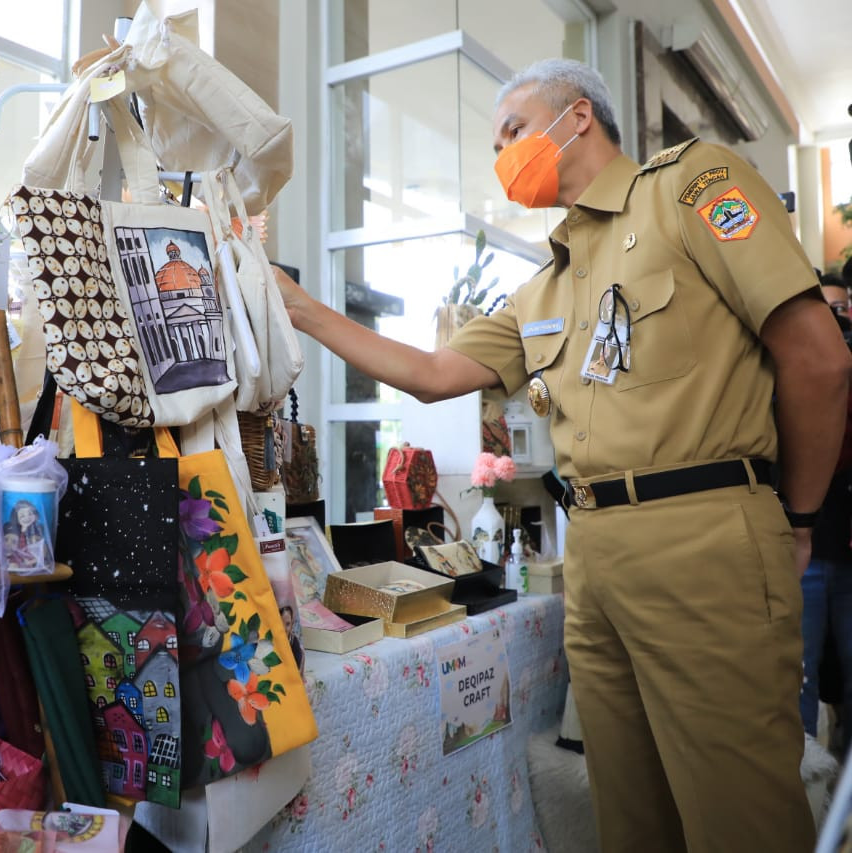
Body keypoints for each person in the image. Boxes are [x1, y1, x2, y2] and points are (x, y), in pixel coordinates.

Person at [275, 57, 851, 852]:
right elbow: (433, 373)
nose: (504, 151)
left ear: (578, 115)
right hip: (596, 561)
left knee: (740, 815)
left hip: (706, 534)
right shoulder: (543, 288)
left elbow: (818, 359)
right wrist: (301, 309)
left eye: (514, 128)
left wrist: (798, 517)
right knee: (629, 815)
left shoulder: (689, 188)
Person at [800, 274, 852, 748]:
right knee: (803, 674)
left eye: (844, 309)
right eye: (827, 311)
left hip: (848, 554)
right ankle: (808, 781)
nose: (837, 320)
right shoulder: (793, 367)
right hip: (806, 549)